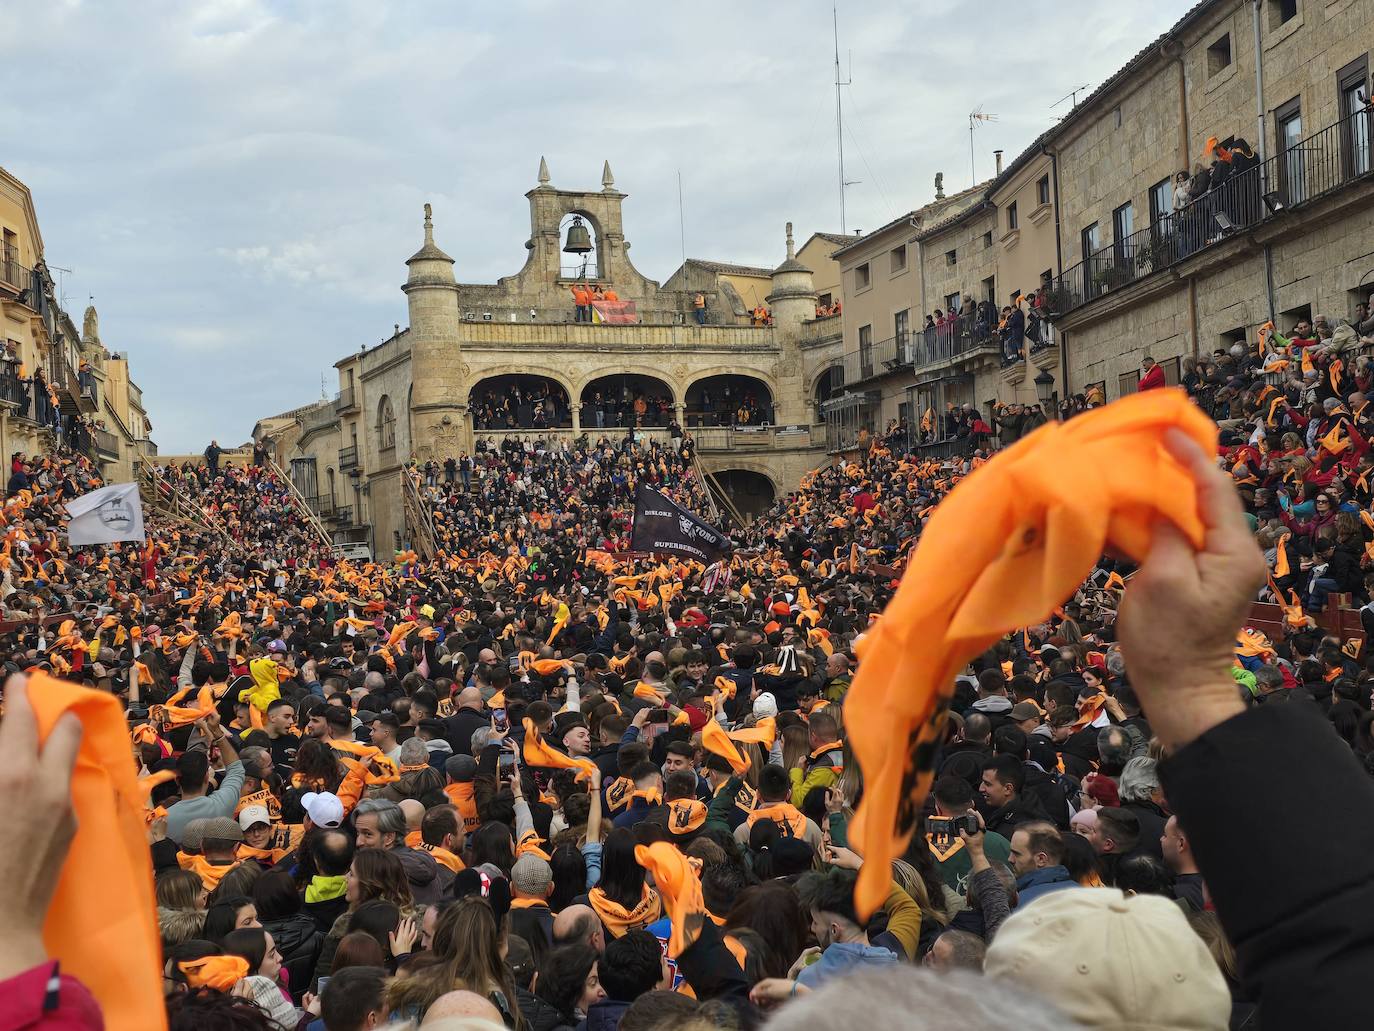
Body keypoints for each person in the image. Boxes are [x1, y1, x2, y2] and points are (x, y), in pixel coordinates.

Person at [1007, 822, 1076, 907]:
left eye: (1016, 854)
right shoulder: (1085, 895)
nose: (1010, 859)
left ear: (1041, 859)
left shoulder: (1021, 904)